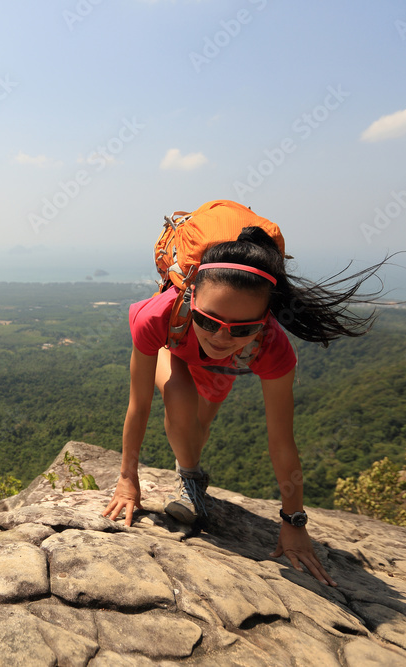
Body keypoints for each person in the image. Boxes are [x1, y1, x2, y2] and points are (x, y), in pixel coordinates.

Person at [101, 225, 389, 587]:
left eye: (241, 327)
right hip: (173, 343)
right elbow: (139, 404)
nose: (221, 336)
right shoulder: (158, 316)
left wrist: (294, 523)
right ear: (190, 295)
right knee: (180, 401)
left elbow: (282, 442)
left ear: (265, 319)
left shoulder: (272, 348)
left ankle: (190, 471)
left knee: (199, 429)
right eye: (210, 320)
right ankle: (190, 480)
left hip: (222, 369)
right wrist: (128, 479)